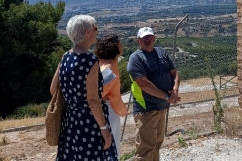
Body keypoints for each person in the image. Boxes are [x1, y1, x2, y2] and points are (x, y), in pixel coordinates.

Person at [50, 15, 118, 161]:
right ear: (87, 33)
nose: (97, 31)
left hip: (70, 121)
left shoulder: (65, 57)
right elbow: (93, 100)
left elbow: (53, 89)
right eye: (95, 28)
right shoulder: (90, 61)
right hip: (89, 122)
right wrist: (104, 129)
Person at [127, 27, 181, 161]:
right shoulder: (136, 58)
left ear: (154, 38)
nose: (148, 39)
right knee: (146, 149)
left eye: (150, 37)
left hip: (162, 107)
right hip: (146, 110)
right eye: (144, 37)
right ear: (138, 41)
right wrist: (167, 97)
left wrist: (175, 90)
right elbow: (143, 83)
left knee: (157, 145)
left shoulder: (161, 52)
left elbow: (174, 73)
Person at [95, 34, 128, 159]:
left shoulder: (101, 63)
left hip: (105, 110)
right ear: (114, 47)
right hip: (107, 110)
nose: (122, 46)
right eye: (120, 43)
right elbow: (99, 91)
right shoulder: (109, 68)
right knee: (112, 148)